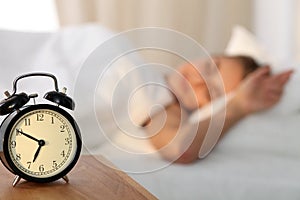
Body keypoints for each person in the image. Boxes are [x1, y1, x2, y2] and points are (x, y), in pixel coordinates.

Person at [144, 55, 293, 164]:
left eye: (209, 93)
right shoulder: (147, 69)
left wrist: (239, 106)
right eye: (210, 67)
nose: (198, 80)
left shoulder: (165, 105)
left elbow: (180, 148)